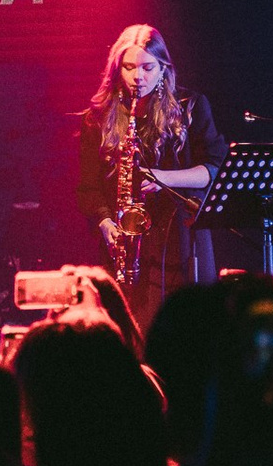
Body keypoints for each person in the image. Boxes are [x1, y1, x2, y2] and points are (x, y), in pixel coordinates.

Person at [75, 24, 226, 328]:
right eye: (129, 67)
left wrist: (162, 177)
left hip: (182, 234)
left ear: (163, 68)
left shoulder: (191, 107)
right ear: (117, 69)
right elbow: (87, 186)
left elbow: (213, 170)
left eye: (147, 67)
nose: (138, 77)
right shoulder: (98, 116)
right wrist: (104, 221)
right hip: (126, 241)